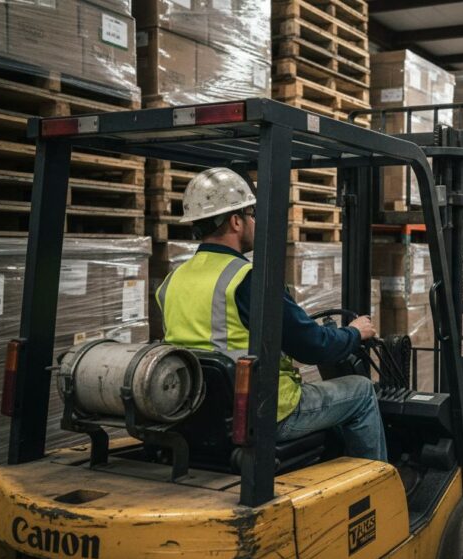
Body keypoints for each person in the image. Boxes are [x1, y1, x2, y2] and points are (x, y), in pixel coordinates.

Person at [156, 167, 387, 461]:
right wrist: (354, 333)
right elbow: (312, 346)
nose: (255, 221)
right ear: (236, 221)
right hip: (264, 412)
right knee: (362, 391)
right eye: (251, 214)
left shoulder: (173, 280)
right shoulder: (247, 278)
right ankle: (377, 479)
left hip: (197, 414)